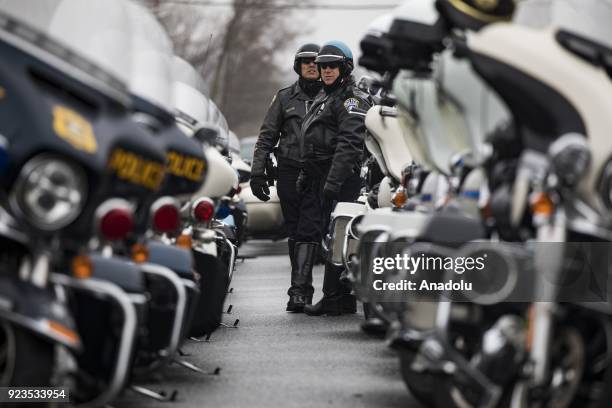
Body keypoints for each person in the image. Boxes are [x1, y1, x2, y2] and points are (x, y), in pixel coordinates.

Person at [295, 40, 371, 316]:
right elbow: (312, 138)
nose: (326, 70)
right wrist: (306, 172)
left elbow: (350, 144)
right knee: (330, 236)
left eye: (332, 66)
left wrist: (333, 182)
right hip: (320, 174)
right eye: (323, 65)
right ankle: (339, 299)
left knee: (338, 235)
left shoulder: (351, 99)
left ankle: (334, 298)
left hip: (339, 177)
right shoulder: (326, 96)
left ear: (345, 68)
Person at [249, 43, 323, 312]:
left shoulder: (332, 97)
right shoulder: (284, 98)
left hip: (318, 172)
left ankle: (300, 292)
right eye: (307, 63)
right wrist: (257, 173)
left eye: (317, 62)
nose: (312, 66)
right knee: (295, 230)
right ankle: (300, 287)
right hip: (289, 171)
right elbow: (267, 135)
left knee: (310, 227)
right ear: (299, 66)